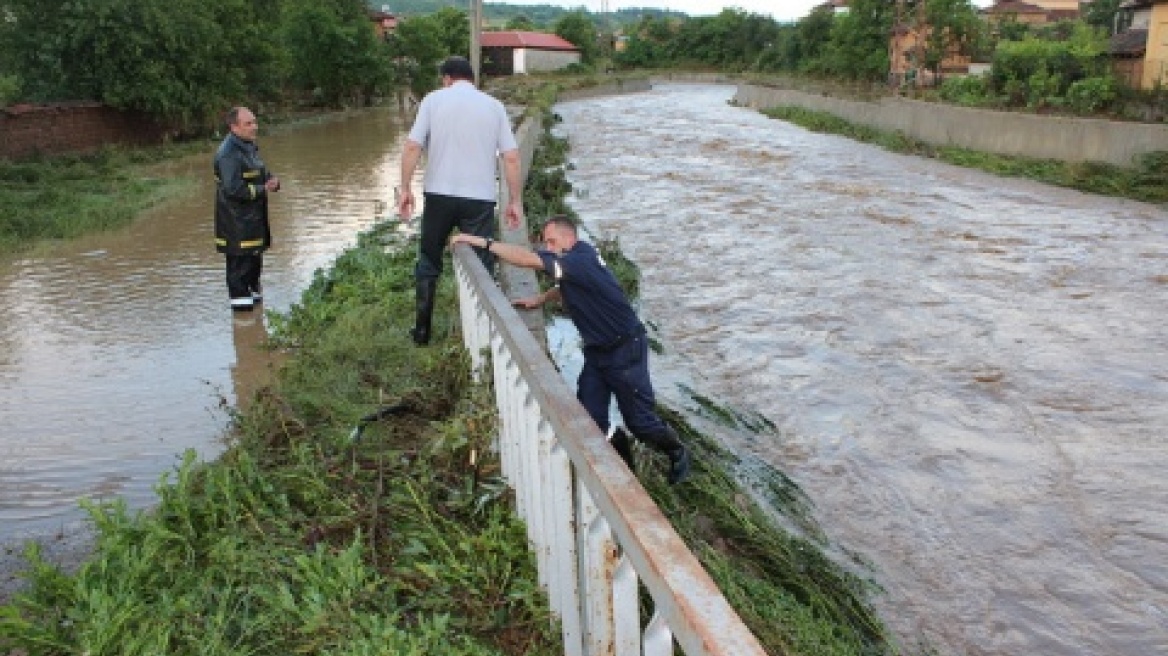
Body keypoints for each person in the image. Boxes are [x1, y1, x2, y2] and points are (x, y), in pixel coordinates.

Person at [450, 216, 692, 485]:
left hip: (625, 350)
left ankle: (677, 451)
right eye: (545, 242)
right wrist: (540, 299)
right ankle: (627, 473)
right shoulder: (581, 254)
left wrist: (482, 242)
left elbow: (527, 259)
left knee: (641, 423)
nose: (548, 247)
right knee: (590, 420)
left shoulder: (578, 260)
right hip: (597, 352)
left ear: (569, 238)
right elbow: (566, 284)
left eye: (552, 241)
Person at [397, 55, 524, 345]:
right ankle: (483, 339)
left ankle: (421, 332)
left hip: (438, 195)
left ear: (446, 79)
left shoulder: (432, 101)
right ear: (472, 79)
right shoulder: (494, 106)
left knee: (429, 262)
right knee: (481, 264)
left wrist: (405, 189)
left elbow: (412, 147)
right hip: (479, 199)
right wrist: (514, 201)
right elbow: (512, 157)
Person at [214, 106, 280, 311]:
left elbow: (260, 172)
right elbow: (233, 189)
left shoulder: (248, 146)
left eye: (254, 122)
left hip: (252, 222)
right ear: (234, 127)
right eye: (248, 123)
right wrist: (262, 189)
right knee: (239, 273)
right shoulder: (228, 154)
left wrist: (272, 181)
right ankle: (243, 325)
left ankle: (256, 324)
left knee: (253, 269)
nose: (254, 127)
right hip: (236, 226)